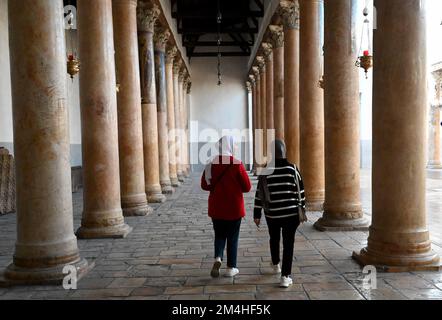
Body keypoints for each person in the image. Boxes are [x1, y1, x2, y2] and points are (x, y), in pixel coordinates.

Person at [253, 139, 306, 288]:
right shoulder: (293, 169)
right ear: (284, 152)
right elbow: (301, 191)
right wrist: (302, 208)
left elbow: (260, 194)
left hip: (273, 214)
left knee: (274, 238)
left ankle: (276, 264)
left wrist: (257, 214)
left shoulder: (265, 172)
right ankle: (285, 276)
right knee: (289, 244)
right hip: (291, 215)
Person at [201, 136, 252, 278]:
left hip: (217, 207)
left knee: (219, 234)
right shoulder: (237, 164)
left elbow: (204, 185)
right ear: (230, 146)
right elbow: (247, 187)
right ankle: (231, 268)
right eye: (234, 145)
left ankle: (218, 257)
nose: (236, 147)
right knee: (233, 237)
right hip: (234, 207)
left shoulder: (211, 163)